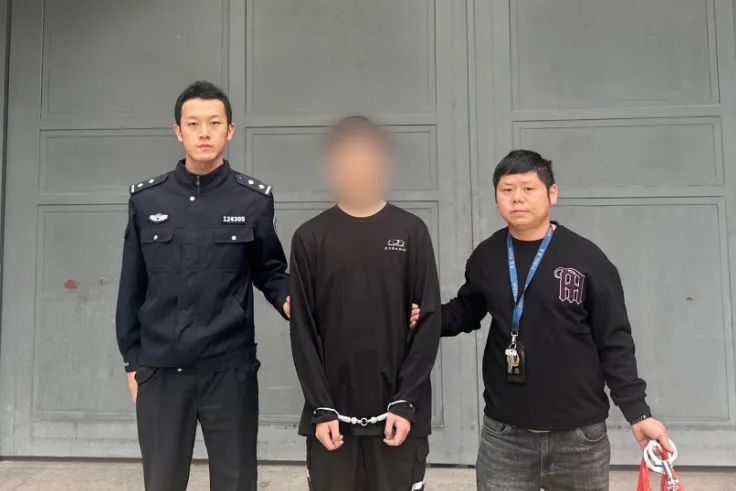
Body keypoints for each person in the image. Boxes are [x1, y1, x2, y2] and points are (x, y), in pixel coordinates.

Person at [440, 150, 673, 490]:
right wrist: (422, 317)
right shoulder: (487, 256)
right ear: (496, 198)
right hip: (505, 436)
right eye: (507, 190)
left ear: (552, 194)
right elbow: (466, 310)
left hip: (580, 439)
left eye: (528, 188)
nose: (517, 198)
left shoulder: (587, 258)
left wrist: (638, 413)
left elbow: (614, 340)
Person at [115, 80, 290, 491]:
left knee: (235, 481)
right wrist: (133, 361)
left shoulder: (253, 200)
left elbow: (270, 269)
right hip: (161, 371)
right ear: (178, 131)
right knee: (162, 482)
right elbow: (131, 287)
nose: (204, 133)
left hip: (229, 371)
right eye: (193, 124)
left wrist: (290, 300)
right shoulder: (148, 201)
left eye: (214, 123)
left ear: (230, 130)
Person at [289, 116, 441, 491]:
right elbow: (303, 332)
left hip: (398, 420)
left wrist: (405, 402)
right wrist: (321, 406)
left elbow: (428, 322)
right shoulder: (310, 237)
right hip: (331, 424)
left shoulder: (411, 232)